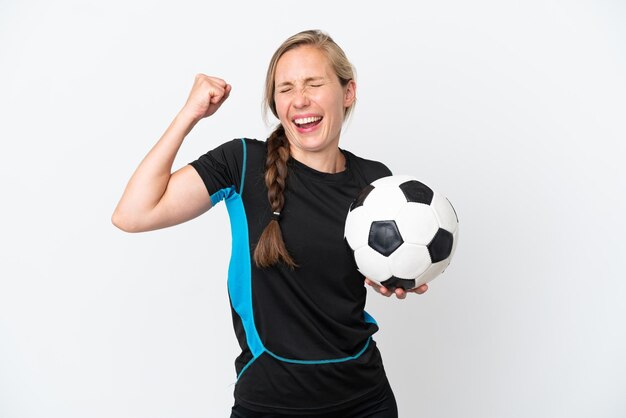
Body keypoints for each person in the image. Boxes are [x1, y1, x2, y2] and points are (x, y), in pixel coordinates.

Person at [112, 29, 428, 418]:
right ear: (275, 103)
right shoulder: (241, 162)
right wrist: (189, 113)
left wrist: (397, 273)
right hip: (269, 404)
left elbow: (362, 270)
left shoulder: (375, 179)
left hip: (365, 399)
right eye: (286, 89)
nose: (300, 100)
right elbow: (133, 213)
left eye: (314, 83)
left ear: (348, 93)